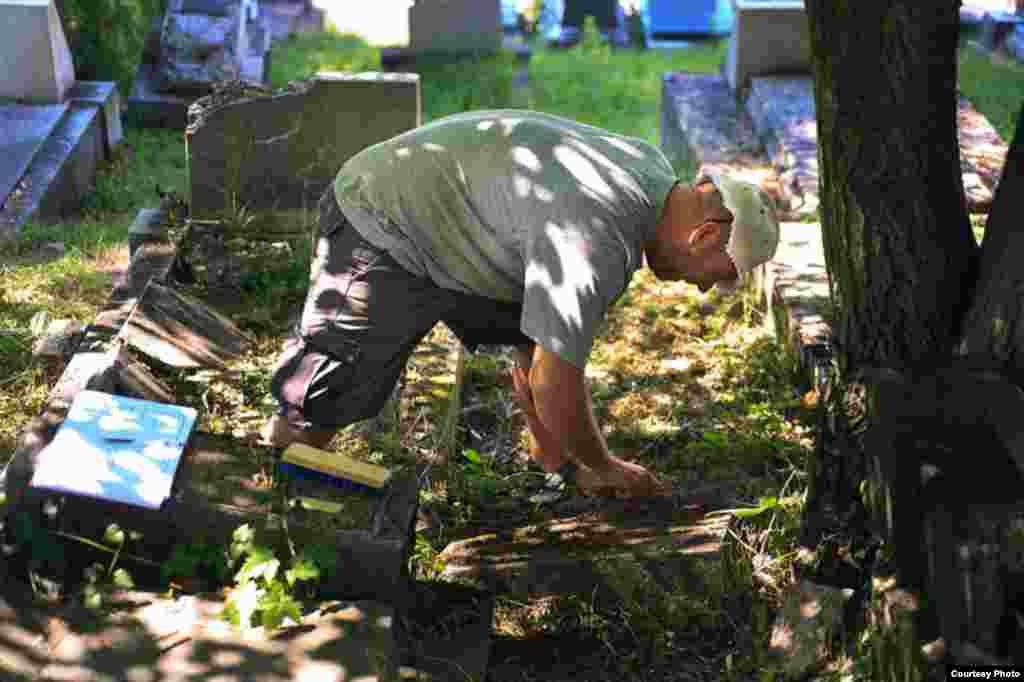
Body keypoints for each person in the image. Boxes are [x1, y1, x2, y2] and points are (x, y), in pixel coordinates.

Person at [261, 109, 780, 498]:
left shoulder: (650, 171)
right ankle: (266, 506)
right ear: (705, 236)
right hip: (384, 219)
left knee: (536, 330)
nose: (708, 290)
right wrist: (606, 464)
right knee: (324, 398)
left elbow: (544, 348)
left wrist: (575, 459)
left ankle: (556, 461)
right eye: (721, 276)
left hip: (463, 222)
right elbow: (556, 382)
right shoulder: (598, 236)